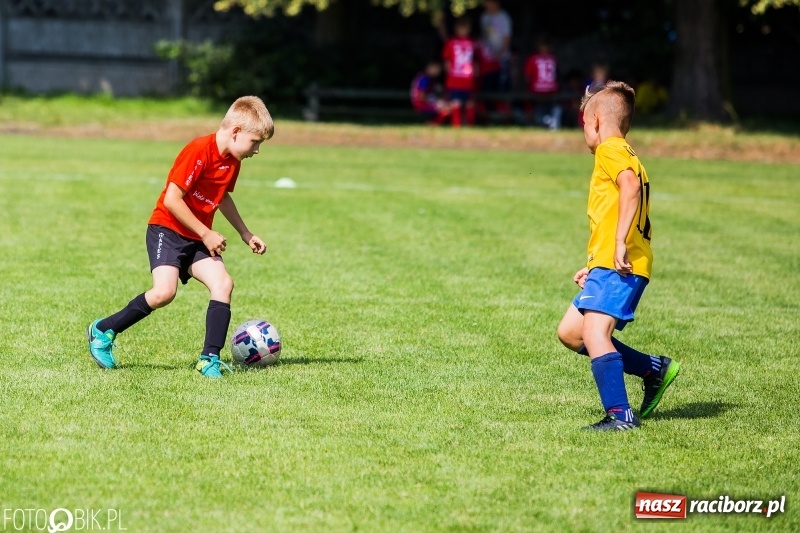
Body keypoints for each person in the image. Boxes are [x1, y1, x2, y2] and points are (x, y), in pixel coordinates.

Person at [86, 96, 274, 379]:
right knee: (164, 293)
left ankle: (208, 359)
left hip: (198, 237)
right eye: (255, 142)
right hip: (168, 229)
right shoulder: (198, 150)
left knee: (223, 283)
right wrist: (206, 232)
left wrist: (245, 233)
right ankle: (103, 330)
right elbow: (173, 200)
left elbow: (222, 197)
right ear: (235, 131)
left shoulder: (232, 161)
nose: (257, 150)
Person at [556, 81, 680, 430]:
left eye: (582, 124)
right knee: (571, 332)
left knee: (595, 333)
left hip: (621, 263)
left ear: (594, 120)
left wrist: (619, 244)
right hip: (609, 262)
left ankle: (619, 415)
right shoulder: (625, 151)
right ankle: (653, 369)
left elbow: (629, 188)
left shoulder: (610, 150)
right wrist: (596, 260)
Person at [442, 16, 478, 127]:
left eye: (466, 28)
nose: (463, 31)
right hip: (454, 80)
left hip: (468, 80)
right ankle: (456, 126)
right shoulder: (451, 43)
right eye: (461, 28)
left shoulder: (473, 43)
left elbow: (475, 60)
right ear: (456, 29)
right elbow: (447, 61)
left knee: (469, 103)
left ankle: (470, 125)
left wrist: (475, 72)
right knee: (455, 103)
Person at [523, 39, 561, 129]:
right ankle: (549, 121)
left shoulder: (533, 59)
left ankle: (545, 121)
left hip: (539, 91)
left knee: (541, 110)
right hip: (549, 91)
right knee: (544, 110)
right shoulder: (553, 59)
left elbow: (527, 77)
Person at [480, 0, 512, 92]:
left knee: (502, 82)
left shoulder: (504, 17)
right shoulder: (484, 17)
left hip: (502, 56)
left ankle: (502, 104)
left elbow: (507, 36)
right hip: (488, 58)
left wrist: (500, 53)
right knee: (489, 81)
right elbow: (484, 36)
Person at [410, 60, 453, 125]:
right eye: (436, 68)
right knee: (446, 109)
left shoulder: (427, 78)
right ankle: (433, 123)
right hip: (421, 104)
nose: (438, 71)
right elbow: (422, 96)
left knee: (446, 104)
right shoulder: (425, 79)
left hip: (422, 103)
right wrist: (436, 102)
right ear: (429, 68)